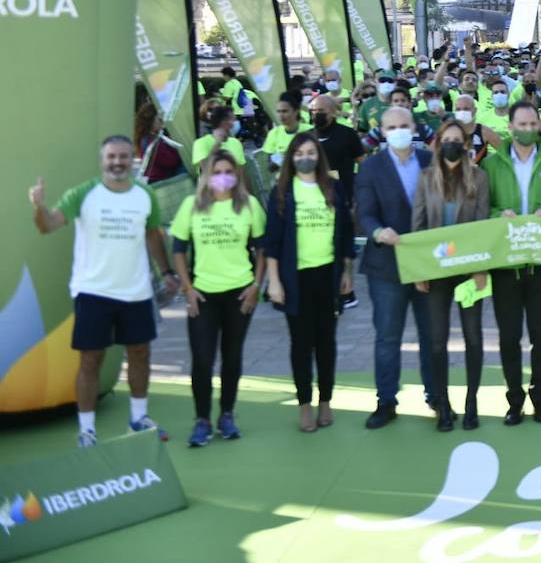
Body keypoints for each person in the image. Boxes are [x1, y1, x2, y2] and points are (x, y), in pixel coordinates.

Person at [30, 136, 177, 447]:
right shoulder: (84, 194)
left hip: (136, 292)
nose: (118, 162)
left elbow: (152, 236)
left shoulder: (144, 195)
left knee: (140, 354)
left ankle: (139, 418)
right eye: (111, 157)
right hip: (93, 292)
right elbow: (47, 225)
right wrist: (39, 207)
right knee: (90, 360)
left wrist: (166, 272)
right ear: (102, 161)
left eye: (124, 156)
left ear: (132, 160)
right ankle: (87, 430)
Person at [169, 150, 266, 447]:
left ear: (236, 175)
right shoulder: (191, 206)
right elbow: (178, 250)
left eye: (228, 171)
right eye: (216, 171)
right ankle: (202, 420)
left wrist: (256, 287)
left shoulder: (249, 205)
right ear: (206, 175)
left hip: (239, 293)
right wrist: (188, 288)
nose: (222, 177)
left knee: (231, 355)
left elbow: (262, 249)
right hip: (204, 294)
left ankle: (227, 415)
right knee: (202, 359)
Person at [263, 134, 355, 432]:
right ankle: (304, 405)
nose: (306, 157)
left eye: (311, 152)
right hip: (295, 279)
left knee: (326, 342)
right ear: (291, 157)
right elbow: (272, 244)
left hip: (327, 275)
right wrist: (274, 282)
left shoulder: (333, 187)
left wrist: (347, 272)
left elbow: (345, 235)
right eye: (299, 152)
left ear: (319, 156)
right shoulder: (281, 192)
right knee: (301, 344)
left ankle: (325, 401)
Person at [483, 100, 541, 425]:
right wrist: (497, 215)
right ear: (510, 126)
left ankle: (540, 398)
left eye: (533, 124)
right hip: (506, 265)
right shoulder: (492, 165)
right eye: (523, 124)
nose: (529, 129)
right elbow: (483, 208)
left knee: (540, 334)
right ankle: (514, 399)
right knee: (508, 335)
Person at [355, 106, 436, 428]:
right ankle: (386, 400)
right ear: (383, 131)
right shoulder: (371, 167)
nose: (399, 130)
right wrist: (377, 232)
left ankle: (436, 396)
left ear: (414, 128)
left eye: (404, 125)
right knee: (388, 337)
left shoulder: (430, 161)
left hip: (427, 264)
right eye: (392, 126)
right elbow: (364, 213)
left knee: (432, 336)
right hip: (386, 266)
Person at [411, 119, 491, 432]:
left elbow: (483, 223)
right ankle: (443, 405)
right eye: (448, 138)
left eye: (458, 139)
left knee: (473, 338)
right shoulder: (425, 178)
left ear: (466, 144)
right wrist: (418, 269)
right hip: (435, 270)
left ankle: (472, 404)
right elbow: (417, 224)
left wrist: (482, 267)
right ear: (438, 142)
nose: (452, 144)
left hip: (470, 268)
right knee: (436, 341)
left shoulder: (479, 178)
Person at [307, 94, 365, 210]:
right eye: (313, 110)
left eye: (320, 110)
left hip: (344, 195)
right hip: (315, 196)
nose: (316, 114)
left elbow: (362, 162)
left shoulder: (347, 134)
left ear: (333, 112)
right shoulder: (307, 137)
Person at [133, 103, 185, 183]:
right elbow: (171, 161)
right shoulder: (151, 141)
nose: (163, 124)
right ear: (150, 121)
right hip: (158, 181)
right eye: (160, 120)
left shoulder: (149, 137)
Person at [263, 92, 306, 169]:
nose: (281, 115)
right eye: (278, 111)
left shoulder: (309, 130)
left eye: (285, 111)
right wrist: (280, 159)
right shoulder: (273, 133)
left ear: (296, 112)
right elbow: (270, 167)